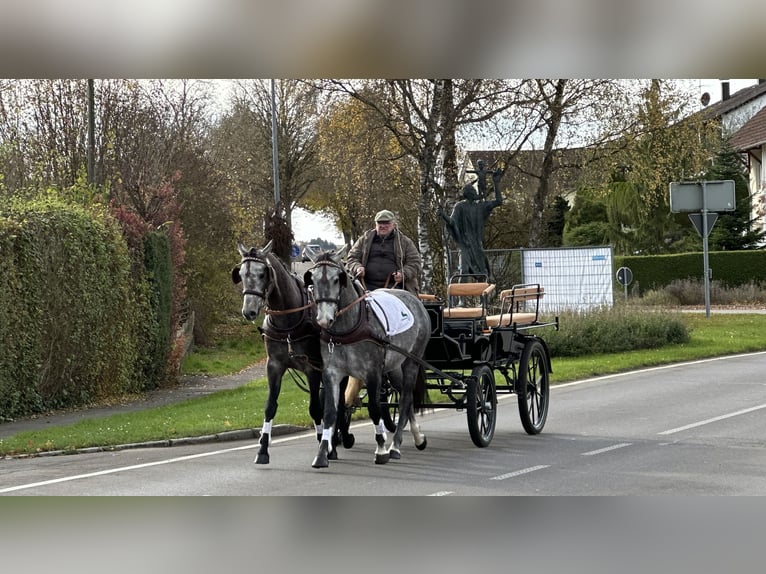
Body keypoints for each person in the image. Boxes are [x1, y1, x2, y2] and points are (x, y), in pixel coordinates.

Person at [343, 209, 422, 406]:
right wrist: (356, 268)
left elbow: (416, 262)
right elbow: (351, 258)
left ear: (394, 224)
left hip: (396, 290)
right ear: (376, 224)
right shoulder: (365, 239)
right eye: (380, 223)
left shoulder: (404, 242)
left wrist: (404, 273)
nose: (383, 226)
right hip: (367, 290)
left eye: (386, 223)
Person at [438, 167, 504, 279]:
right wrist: (443, 214)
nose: (475, 192)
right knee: (464, 270)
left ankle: (483, 296)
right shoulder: (460, 206)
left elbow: (498, 201)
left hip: (477, 245)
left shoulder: (480, 207)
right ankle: (461, 296)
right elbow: (452, 222)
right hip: (465, 244)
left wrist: (496, 183)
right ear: (468, 193)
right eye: (473, 191)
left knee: (483, 273)